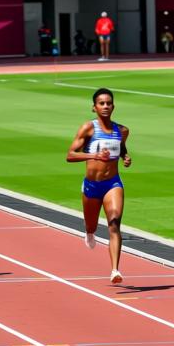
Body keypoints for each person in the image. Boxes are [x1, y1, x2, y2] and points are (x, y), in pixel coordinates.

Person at [66, 88, 131, 285]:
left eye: (108, 103)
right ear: (94, 107)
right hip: (92, 186)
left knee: (114, 223)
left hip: (112, 183)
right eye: (101, 103)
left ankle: (115, 270)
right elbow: (70, 155)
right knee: (91, 224)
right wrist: (94, 155)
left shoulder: (123, 131)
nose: (105, 106)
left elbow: (121, 148)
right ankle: (89, 232)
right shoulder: (88, 129)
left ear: (113, 106)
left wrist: (125, 157)